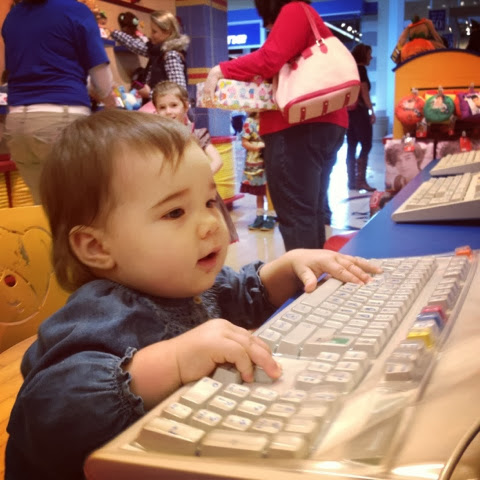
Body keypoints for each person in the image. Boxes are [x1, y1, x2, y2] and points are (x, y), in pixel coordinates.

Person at [5, 110, 380, 479]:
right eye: (174, 212)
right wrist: (174, 361)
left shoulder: (187, 283)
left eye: (210, 202)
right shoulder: (101, 312)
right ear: (96, 247)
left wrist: (288, 266)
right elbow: (46, 409)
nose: (210, 224)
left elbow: (244, 293)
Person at [204, 0, 347, 251]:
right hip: (324, 123)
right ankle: (315, 272)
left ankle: (305, 275)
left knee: (296, 214)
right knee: (310, 211)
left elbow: (269, 59)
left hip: (296, 126)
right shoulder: (307, 14)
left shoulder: (293, 9)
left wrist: (221, 69)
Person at [1, 0, 116, 205]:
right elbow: (101, 80)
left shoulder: (13, 17)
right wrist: (110, 103)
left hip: (17, 123)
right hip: (60, 117)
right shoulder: (75, 11)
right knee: (80, 207)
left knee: (44, 208)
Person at [111, 10, 190, 102]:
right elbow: (136, 45)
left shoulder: (170, 55)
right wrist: (114, 32)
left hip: (164, 108)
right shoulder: (157, 51)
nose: (151, 35)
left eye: (154, 32)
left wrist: (150, 94)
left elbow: (179, 91)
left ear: (167, 32)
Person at [152, 81, 223, 174]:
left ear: (185, 106)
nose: (168, 111)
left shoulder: (196, 134)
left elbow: (217, 161)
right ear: (156, 111)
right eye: (162, 107)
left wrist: (200, 178)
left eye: (174, 105)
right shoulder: (156, 138)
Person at [346, 44, 376, 192]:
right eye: (369, 54)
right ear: (363, 55)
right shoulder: (361, 70)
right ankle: (361, 181)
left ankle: (351, 181)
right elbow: (364, 92)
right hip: (360, 111)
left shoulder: (349, 69)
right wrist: (371, 110)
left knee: (351, 145)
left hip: (349, 112)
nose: (371, 57)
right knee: (366, 144)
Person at [240, 112, 276, 231]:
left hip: (270, 158)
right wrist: (257, 147)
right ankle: (259, 215)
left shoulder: (270, 120)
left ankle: (271, 216)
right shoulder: (249, 122)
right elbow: (244, 142)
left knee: (270, 189)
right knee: (259, 190)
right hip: (255, 161)